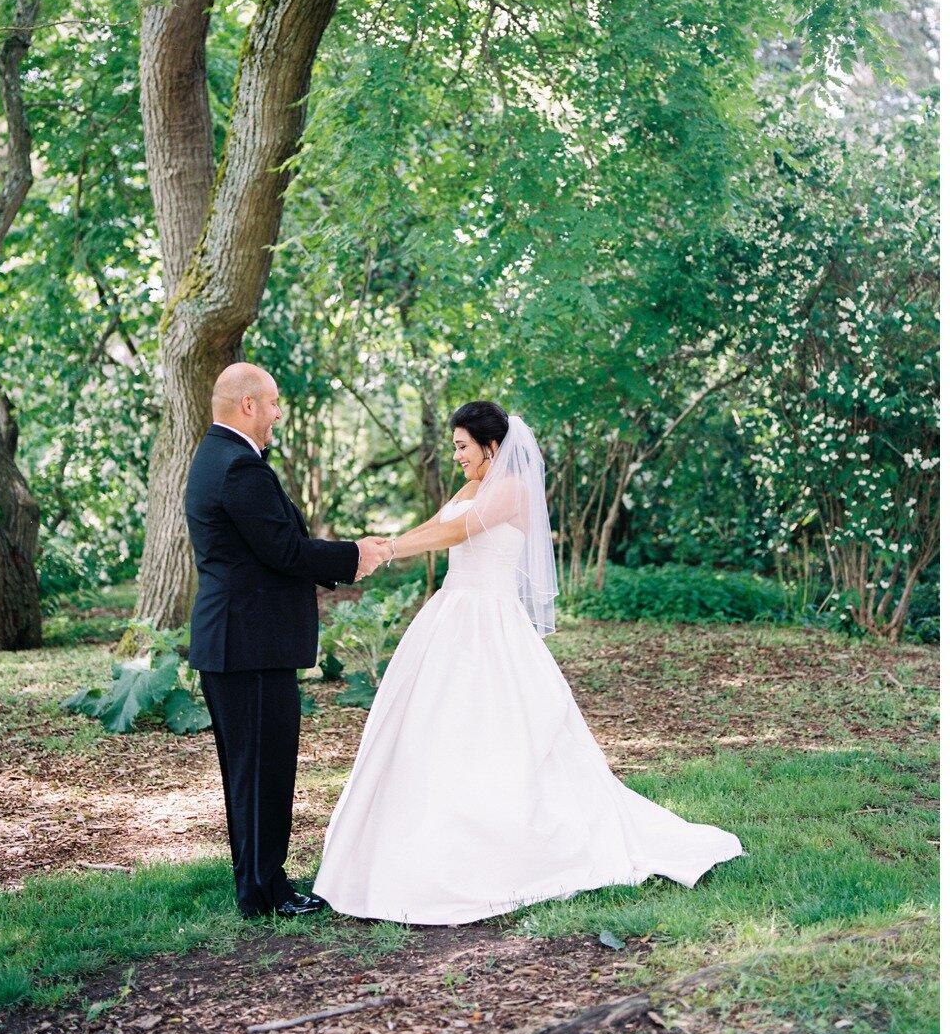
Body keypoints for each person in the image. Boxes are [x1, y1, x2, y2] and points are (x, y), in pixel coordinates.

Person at [313, 400, 742, 924]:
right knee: (430, 729)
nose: (457, 457)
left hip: (488, 621)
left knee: (495, 731)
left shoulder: (512, 489)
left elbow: (458, 532)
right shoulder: (476, 485)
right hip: (451, 614)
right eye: (454, 447)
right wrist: (379, 546)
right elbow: (437, 521)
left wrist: (390, 550)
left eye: (462, 447)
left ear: (492, 447)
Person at [183, 362, 392, 918]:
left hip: (240, 640)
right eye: (273, 403)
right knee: (262, 770)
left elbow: (271, 551)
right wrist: (355, 555)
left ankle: (259, 883)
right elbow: (286, 551)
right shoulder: (237, 468)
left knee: (252, 770)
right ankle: (265, 893)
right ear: (248, 405)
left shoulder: (217, 457)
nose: (278, 413)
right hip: (248, 643)